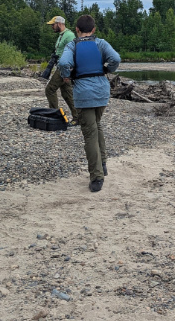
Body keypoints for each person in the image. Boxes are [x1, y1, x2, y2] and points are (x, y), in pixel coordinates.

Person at [58, 14, 120, 193]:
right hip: (102, 92)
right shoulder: (101, 43)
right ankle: (103, 163)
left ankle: (97, 177)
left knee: (90, 134)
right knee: (96, 125)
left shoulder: (72, 45)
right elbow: (116, 58)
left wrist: (66, 75)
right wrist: (108, 69)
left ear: (76, 30)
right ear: (93, 29)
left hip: (84, 95)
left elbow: (64, 62)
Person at [44, 16, 78, 122]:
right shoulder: (61, 36)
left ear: (59, 24)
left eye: (53, 25)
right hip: (62, 66)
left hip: (65, 68)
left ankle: (54, 116)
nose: (52, 27)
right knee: (67, 93)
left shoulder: (69, 35)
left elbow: (74, 51)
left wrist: (70, 69)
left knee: (50, 89)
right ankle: (78, 117)